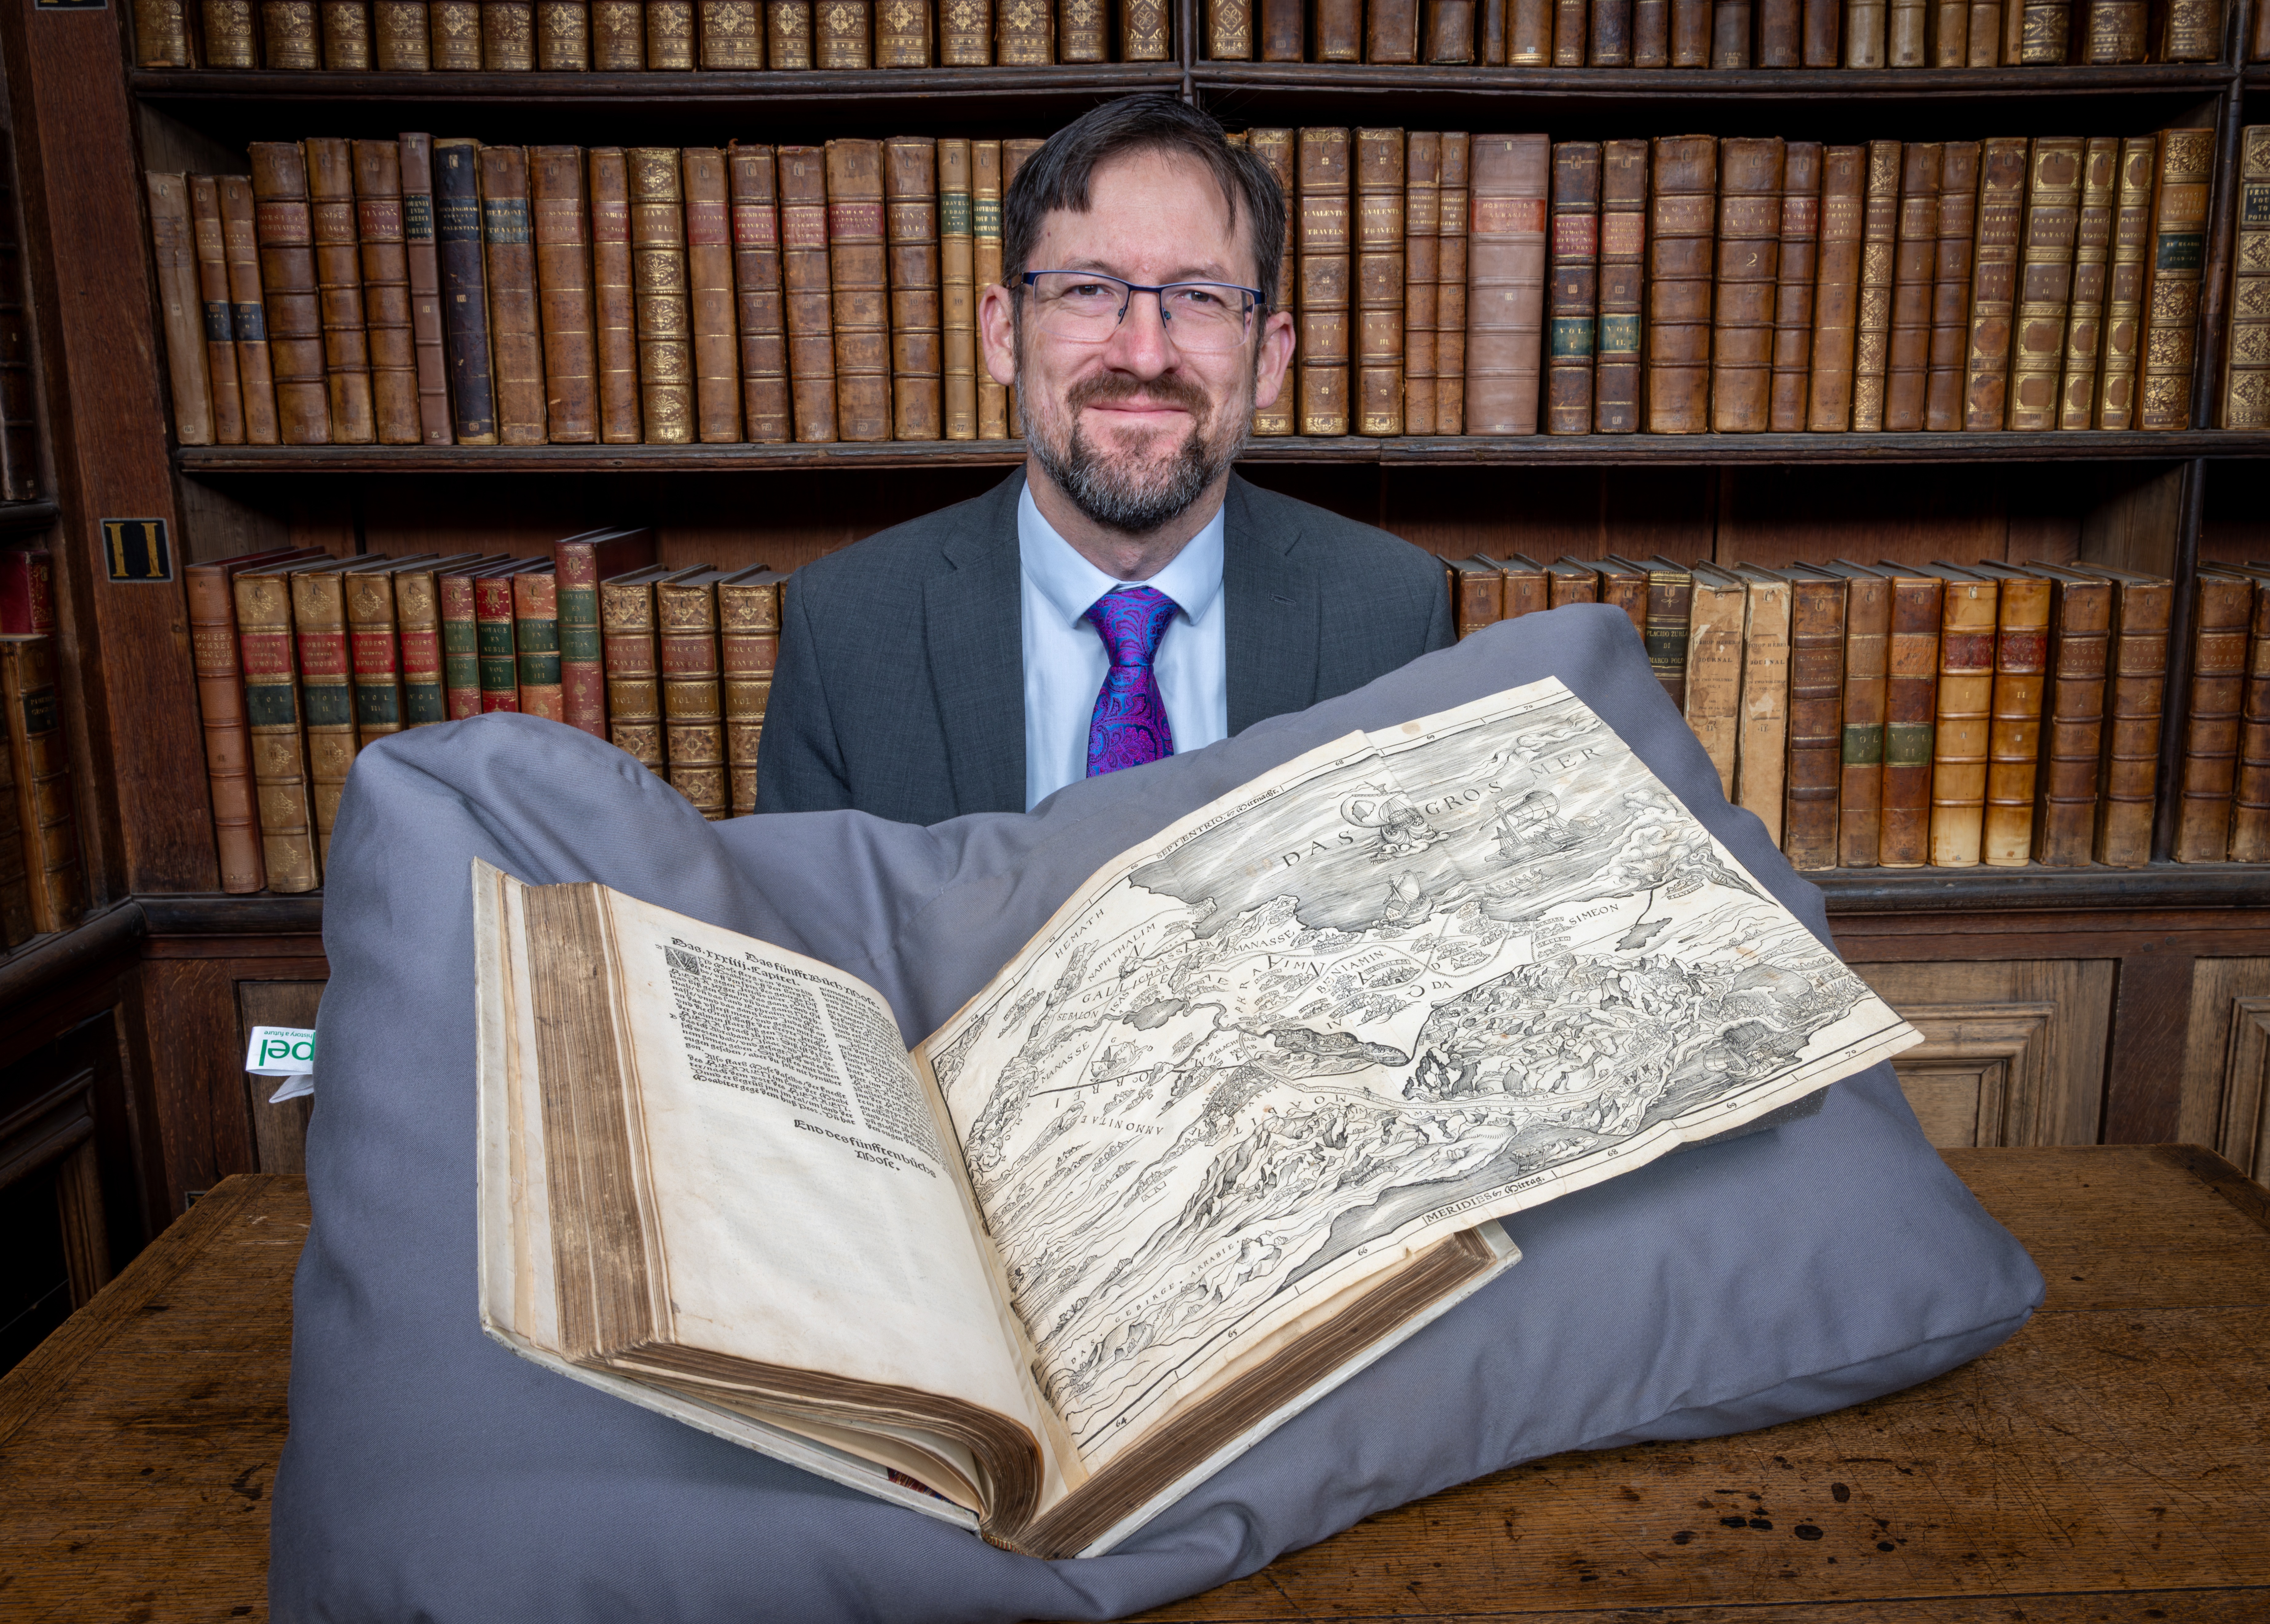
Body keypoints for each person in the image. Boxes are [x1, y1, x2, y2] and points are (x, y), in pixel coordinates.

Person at [756, 95, 1454, 824]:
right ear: (1003, 334)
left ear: (1270, 358)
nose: (1145, 355)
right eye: (1089, 289)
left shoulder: (1395, 616)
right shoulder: (843, 630)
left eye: (1200, 296)